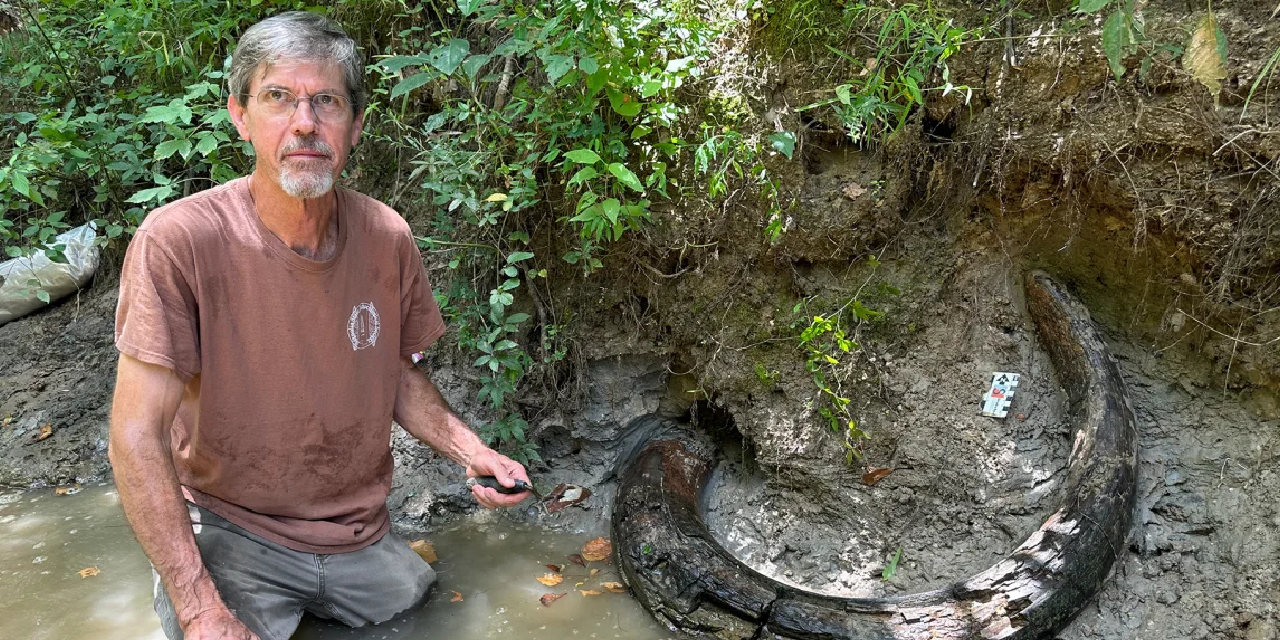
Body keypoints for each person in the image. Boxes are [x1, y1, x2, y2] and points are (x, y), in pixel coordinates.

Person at [108, 12, 531, 640]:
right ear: (240, 115)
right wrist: (198, 607)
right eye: (278, 97)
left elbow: (394, 375)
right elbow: (136, 436)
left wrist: (475, 454)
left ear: (355, 126)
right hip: (230, 528)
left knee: (423, 611)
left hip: (353, 533)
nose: (304, 122)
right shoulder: (180, 240)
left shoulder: (385, 235)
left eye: (326, 101)